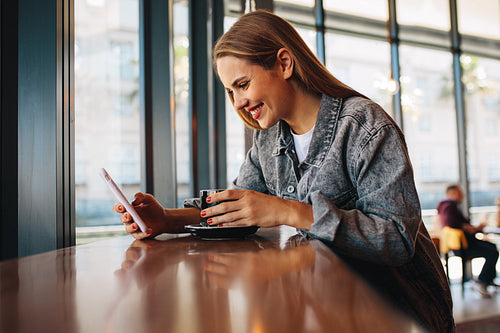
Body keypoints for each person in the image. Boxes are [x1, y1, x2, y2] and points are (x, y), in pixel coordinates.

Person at [113, 10, 454, 332]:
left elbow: (396, 240)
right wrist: (165, 220)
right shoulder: (268, 139)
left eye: (243, 85)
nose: (238, 103)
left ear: (285, 63)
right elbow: (234, 207)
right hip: (322, 308)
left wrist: (288, 211)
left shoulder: (364, 126)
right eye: (230, 92)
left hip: (394, 313)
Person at [437, 184, 499, 298]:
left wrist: (472, 228)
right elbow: (454, 225)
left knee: (492, 247)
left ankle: (488, 280)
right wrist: (474, 229)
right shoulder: (449, 207)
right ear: (452, 193)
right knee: (492, 252)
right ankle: (482, 281)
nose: (463, 195)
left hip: (461, 244)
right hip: (462, 246)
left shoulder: (445, 207)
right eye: (460, 192)